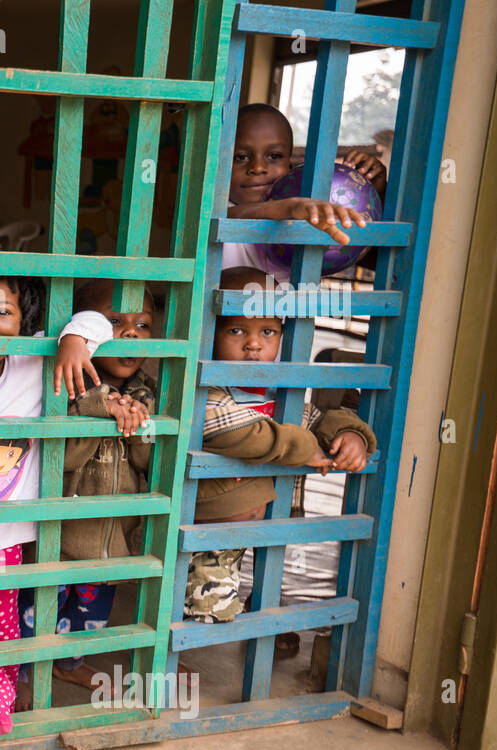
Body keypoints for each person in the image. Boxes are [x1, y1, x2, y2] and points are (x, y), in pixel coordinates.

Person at [0, 269, 146, 734]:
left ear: (22, 321)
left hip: (4, 539)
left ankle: (1, 690)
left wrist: (72, 338)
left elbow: (98, 322)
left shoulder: (34, 364)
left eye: (3, 311)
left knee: (4, 628)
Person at [185, 267, 376, 624]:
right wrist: (304, 448)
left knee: (249, 604)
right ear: (211, 332)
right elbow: (240, 431)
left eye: (267, 331)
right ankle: (174, 663)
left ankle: (265, 606)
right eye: (237, 330)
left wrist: (352, 436)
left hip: (261, 532)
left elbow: (319, 417)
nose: (253, 344)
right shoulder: (207, 390)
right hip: (209, 536)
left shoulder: (279, 392)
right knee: (204, 615)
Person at [14, 279, 158, 708]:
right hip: (61, 532)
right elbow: (65, 459)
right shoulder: (67, 386)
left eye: (144, 324)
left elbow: (150, 464)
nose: (131, 333)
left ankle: (69, 661)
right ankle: (22, 670)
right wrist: (100, 408)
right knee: (38, 607)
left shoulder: (148, 392)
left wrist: (138, 426)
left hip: (109, 533)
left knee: (91, 612)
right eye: (115, 322)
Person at [224, 103, 385, 280]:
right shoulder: (216, 210)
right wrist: (285, 207)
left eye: (274, 156)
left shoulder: (309, 213)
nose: (258, 168)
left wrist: (377, 193)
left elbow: (375, 258)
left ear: (290, 169)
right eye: (240, 157)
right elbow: (227, 217)